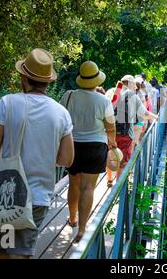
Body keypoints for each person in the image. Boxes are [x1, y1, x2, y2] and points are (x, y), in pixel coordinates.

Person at [0, 48, 74, 259]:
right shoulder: (61, 113)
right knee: (22, 254)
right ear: (48, 81)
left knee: (4, 250)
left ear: (24, 77)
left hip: (6, 195)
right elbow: (66, 159)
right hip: (38, 197)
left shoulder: (8, 102)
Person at [59, 61, 117, 243]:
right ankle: (82, 229)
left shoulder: (68, 96)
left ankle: (73, 218)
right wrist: (113, 143)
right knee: (88, 188)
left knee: (73, 184)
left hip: (72, 145)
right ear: (97, 80)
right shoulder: (103, 101)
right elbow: (110, 127)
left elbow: (60, 119)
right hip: (95, 147)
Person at [106, 75, 158, 184]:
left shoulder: (112, 91)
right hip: (125, 134)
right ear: (130, 83)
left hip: (109, 133)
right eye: (134, 84)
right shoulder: (132, 95)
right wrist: (155, 117)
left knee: (110, 156)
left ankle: (109, 180)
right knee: (123, 162)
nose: (135, 87)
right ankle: (118, 191)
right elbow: (144, 113)